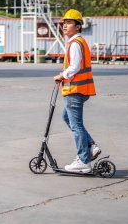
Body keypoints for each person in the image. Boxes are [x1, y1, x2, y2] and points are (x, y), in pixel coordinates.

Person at [53, 9, 101, 173]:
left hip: (75, 89)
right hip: (80, 89)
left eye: (69, 23)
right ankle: (91, 146)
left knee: (76, 125)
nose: (64, 26)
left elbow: (75, 67)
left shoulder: (75, 44)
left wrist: (62, 75)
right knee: (66, 116)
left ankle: (83, 160)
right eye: (63, 23)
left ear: (78, 26)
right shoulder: (78, 42)